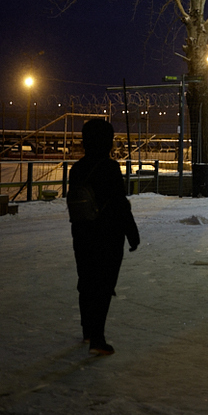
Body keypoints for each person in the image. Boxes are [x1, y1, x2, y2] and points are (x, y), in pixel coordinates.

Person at [68, 118, 140, 356]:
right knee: (104, 284)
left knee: (86, 280)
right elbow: (120, 203)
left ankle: (88, 330)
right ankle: (98, 338)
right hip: (108, 235)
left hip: (81, 233)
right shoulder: (110, 168)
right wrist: (132, 233)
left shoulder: (77, 169)